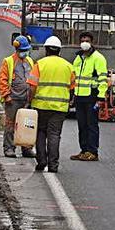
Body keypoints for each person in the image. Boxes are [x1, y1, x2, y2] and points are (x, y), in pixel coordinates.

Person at [27, 36, 75, 173]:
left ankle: (41, 161)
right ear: (59, 51)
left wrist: (29, 101)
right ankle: (53, 165)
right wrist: (70, 101)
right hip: (59, 108)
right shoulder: (68, 66)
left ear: (46, 49)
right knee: (54, 135)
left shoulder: (39, 64)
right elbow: (72, 88)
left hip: (40, 106)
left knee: (40, 134)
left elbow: (32, 87)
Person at [70, 32, 109, 162]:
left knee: (91, 125)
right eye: (82, 40)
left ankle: (92, 151)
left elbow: (103, 79)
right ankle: (84, 150)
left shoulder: (98, 58)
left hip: (92, 97)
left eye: (87, 40)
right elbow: (74, 76)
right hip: (80, 96)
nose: (84, 42)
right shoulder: (78, 58)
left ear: (92, 42)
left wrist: (101, 97)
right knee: (82, 125)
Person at [0, 35, 35, 158]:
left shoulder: (29, 61)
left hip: (27, 99)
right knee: (10, 125)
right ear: (17, 49)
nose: (25, 53)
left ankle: (27, 148)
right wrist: (6, 96)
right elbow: (2, 80)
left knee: (27, 125)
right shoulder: (8, 61)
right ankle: (9, 148)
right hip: (13, 99)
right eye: (23, 50)